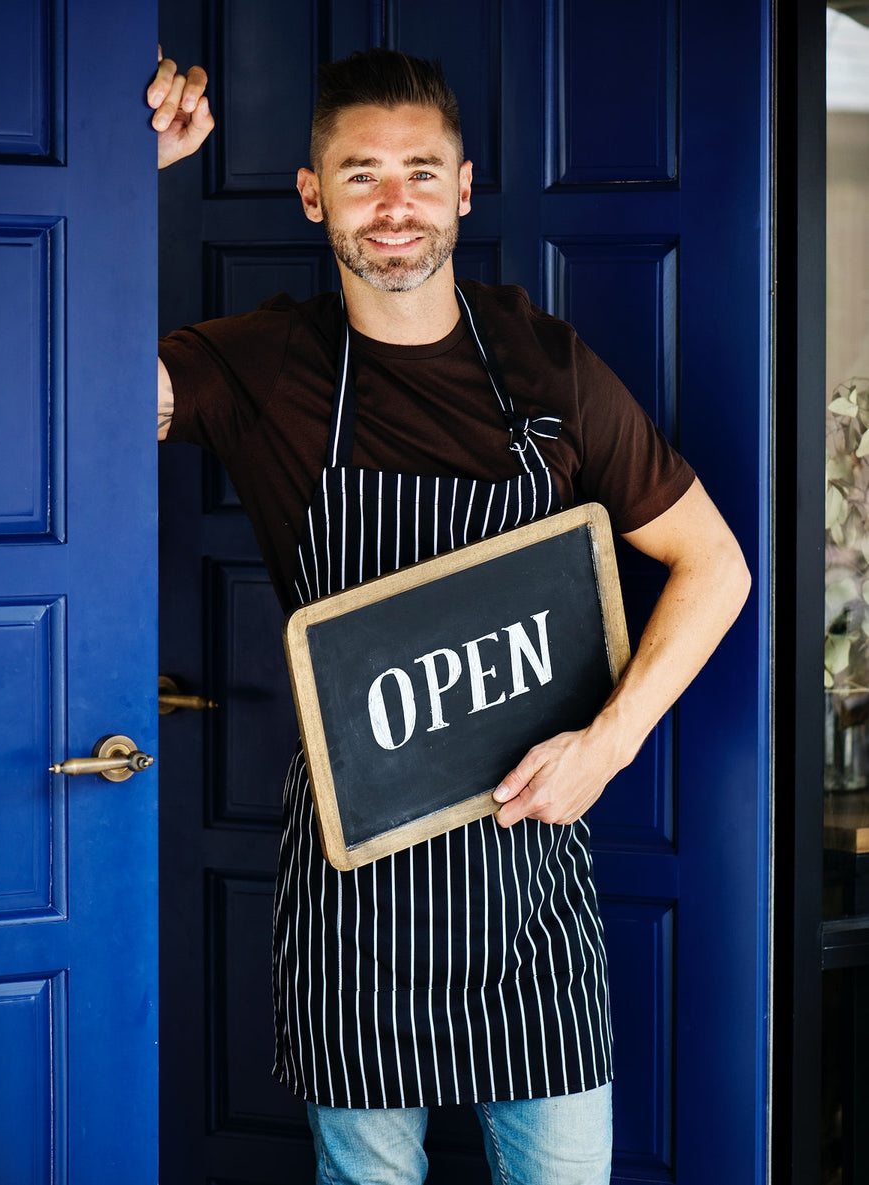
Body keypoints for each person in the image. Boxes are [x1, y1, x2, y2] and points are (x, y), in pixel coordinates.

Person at [148, 47, 751, 1185]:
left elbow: (715, 566)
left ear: (465, 189)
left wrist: (606, 749)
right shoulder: (266, 364)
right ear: (311, 193)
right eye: (360, 173)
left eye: (421, 173)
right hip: (357, 885)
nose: (394, 205)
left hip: (530, 888)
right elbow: (64, 389)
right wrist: (121, 183)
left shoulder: (546, 364)